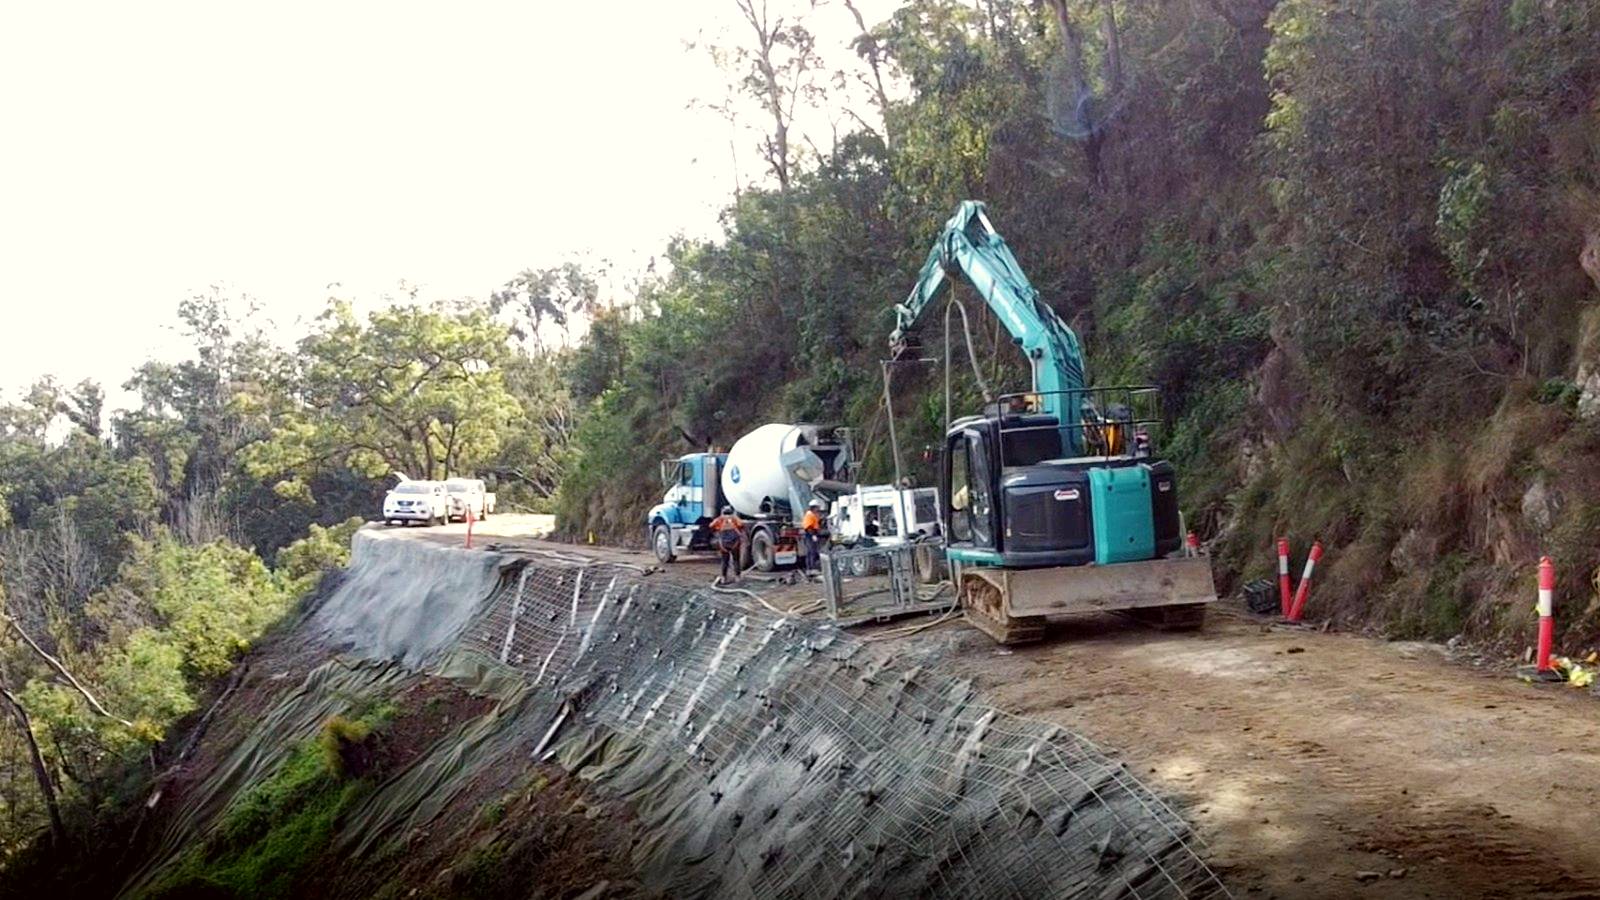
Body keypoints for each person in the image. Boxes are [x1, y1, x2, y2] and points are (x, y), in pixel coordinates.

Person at [709, 505, 745, 585]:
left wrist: (718, 528)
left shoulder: (720, 519)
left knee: (725, 561)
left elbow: (711, 525)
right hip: (735, 544)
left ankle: (723, 578)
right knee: (736, 560)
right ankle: (737, 577)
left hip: (723, 544)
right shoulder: (734, 518)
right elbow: (741, 524)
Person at [800, 498, 826, 577]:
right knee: (811, 552)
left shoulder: (812, 515)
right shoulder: (809, 515)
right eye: (817, 507)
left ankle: (811, 569)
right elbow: (808, 527)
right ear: (814, 507)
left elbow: (816, 523)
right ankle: (811, 569)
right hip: (810, 535)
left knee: (812, 552)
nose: (818, 509)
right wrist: (813, 535)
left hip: (811, 534)